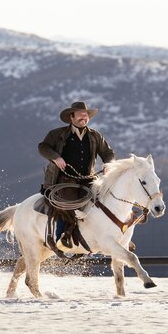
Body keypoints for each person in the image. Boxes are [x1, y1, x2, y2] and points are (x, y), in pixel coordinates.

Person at [38, 101, 114, 250]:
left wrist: (109, 163)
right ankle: (61, 238)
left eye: (86, 115)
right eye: (80, 115)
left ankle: (113, 235)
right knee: (67, 204)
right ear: (71, 117)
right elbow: (43, 147)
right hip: (64, 180)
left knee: (107, 199)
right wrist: (55, 157)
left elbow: (108, 153)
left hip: (89, 180)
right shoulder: (57, 134)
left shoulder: (95, 136)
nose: (83, 117)